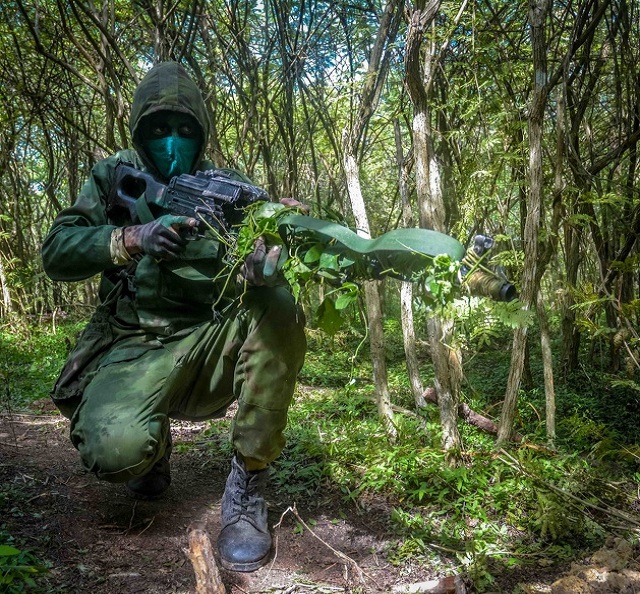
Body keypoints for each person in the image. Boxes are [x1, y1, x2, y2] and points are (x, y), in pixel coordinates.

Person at [41, 61, 307, 573]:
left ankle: (248, 485)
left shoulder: (227, 189)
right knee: (116, 454)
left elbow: (258, 258)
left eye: (185, 130)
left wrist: (268, 257)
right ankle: (151, 445)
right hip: (133, 345)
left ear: (202, 134)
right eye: (159, 129)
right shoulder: (112, 176)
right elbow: (56, 252)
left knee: (280, 306)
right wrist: (128, 239)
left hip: (208, 343)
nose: (172, 142)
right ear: (139, 131)